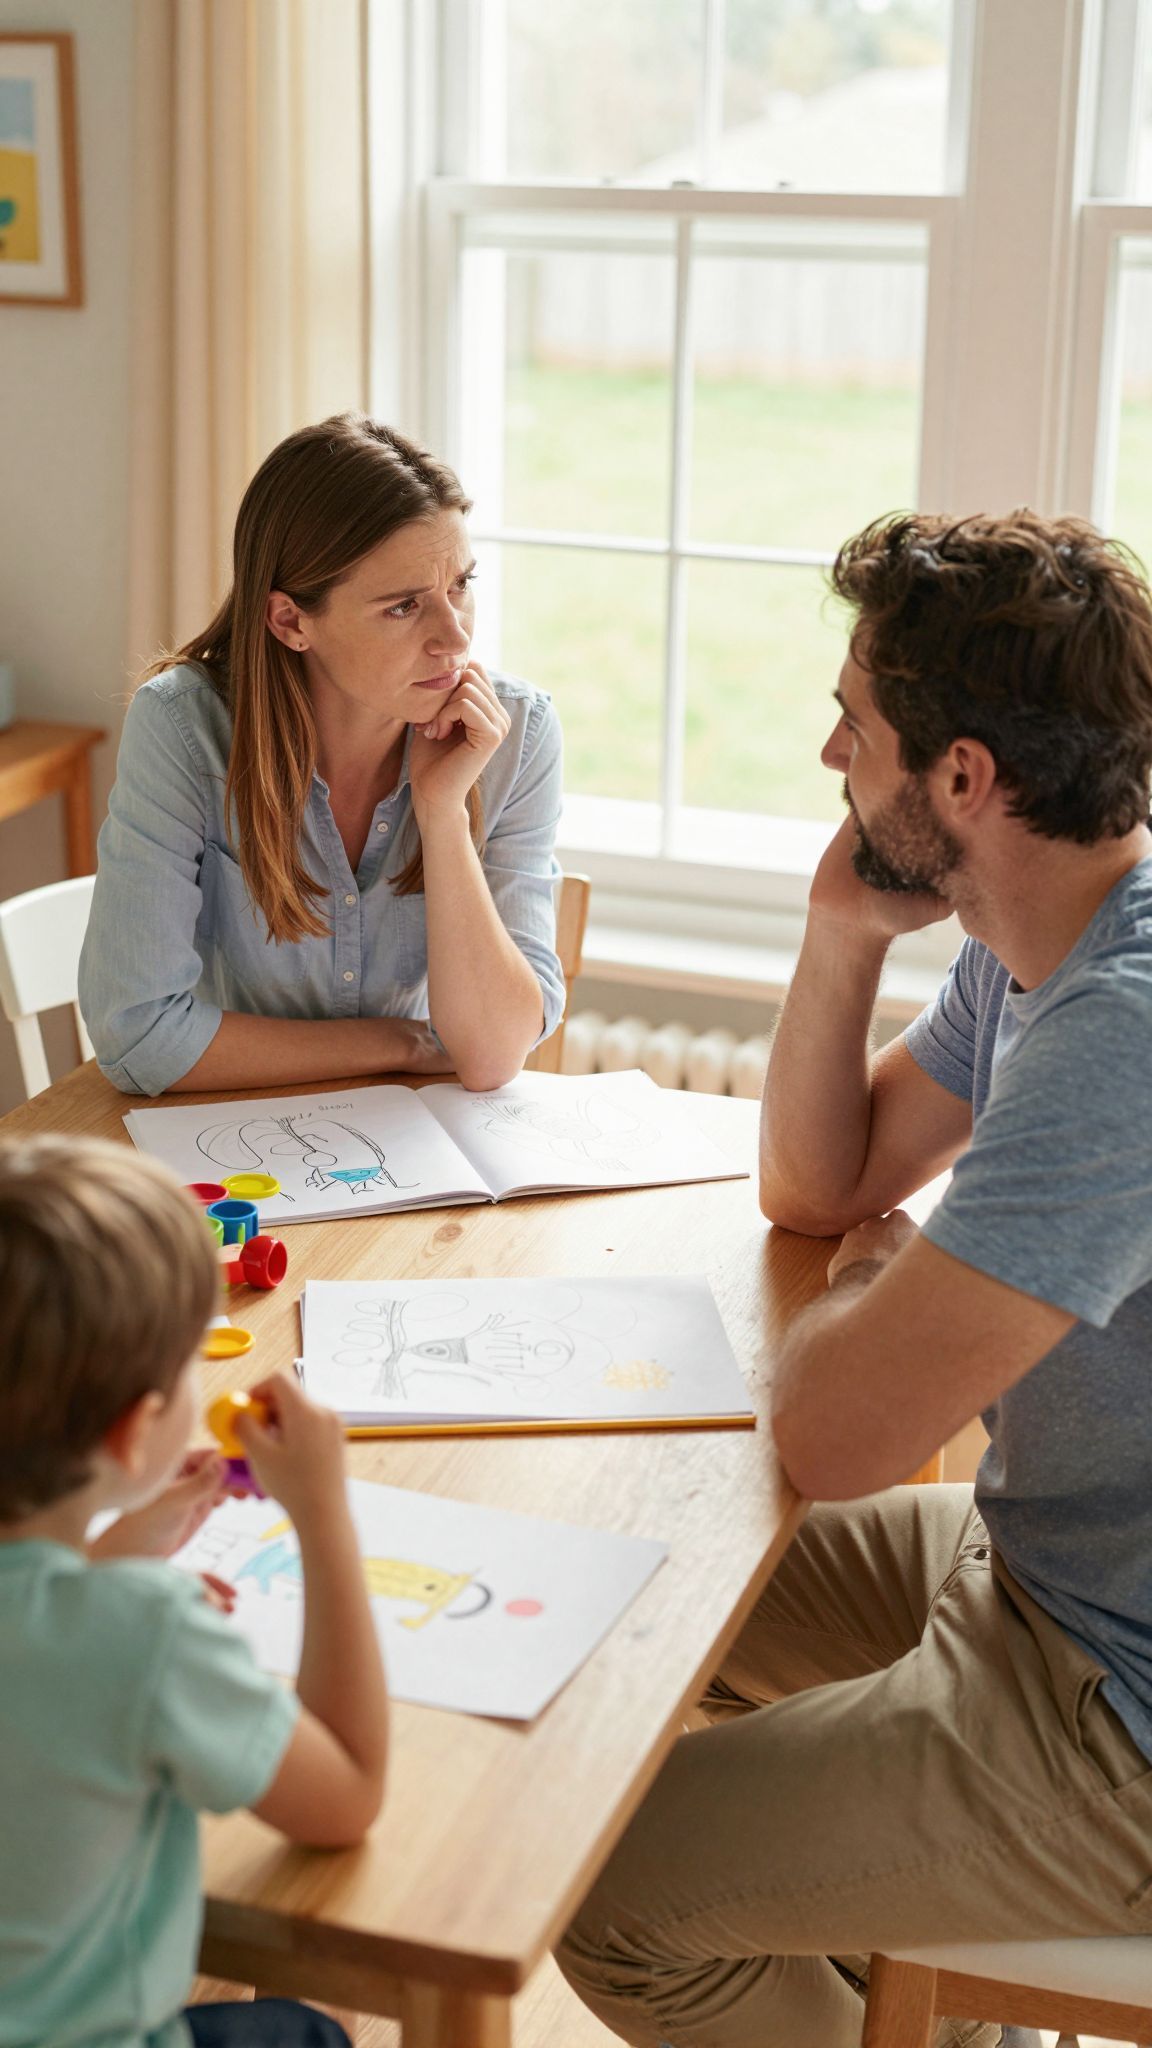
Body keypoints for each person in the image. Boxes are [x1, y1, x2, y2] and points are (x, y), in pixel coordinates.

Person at [556, 510, 1152, 2048]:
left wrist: (847, 1314)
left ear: (963, 778)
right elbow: (822, 1187)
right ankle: (942, 2013)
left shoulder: (1121, 1035)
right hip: (1040, 1576)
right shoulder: (1040, 928)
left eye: (858, 723)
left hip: (1120, 1717)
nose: (832, 754)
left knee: (602, 1891)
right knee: (638, 1607)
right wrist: (837, 930)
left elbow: (834, 1437)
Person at [0, 1134, 389, 2046]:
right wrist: (323, 1515)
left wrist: (112, 1565)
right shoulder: (142, 1632)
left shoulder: (109, 1611)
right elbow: (348, 1798)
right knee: (309, 2029)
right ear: (137, 1434)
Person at [79, 413, 565, 1097]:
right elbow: (140, 1038)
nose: (454, 637)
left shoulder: (517, 733)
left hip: (416, 1151)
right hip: (233, 1138)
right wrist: (405, 1043)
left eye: (461, 584)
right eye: (403, 606)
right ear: (291, 620)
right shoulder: (184, 729)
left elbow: (489, 1057)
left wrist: (442, 811)